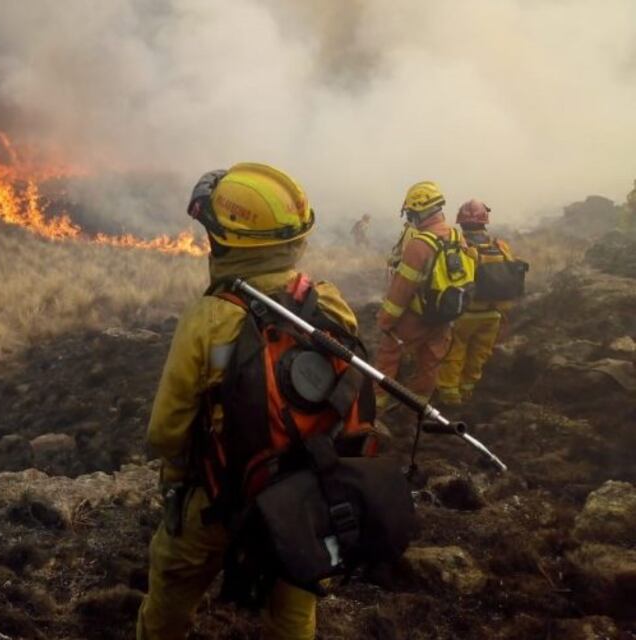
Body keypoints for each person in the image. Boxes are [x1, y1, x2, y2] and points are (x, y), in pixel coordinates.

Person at [136, 163, 373, 640]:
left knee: (171, 589)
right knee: (293, 607)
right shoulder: (329, 302)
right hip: (306, 499)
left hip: (219, 499)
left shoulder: (209, 319)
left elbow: (165, 433)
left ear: (227, 243)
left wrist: (180, 482)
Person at [373, 181, 460, 411]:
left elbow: (401, 291)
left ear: (420, 212)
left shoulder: (419, 245)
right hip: (444, 314)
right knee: (430, 362)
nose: (410, 217)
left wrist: (385, 321)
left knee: (389, 353)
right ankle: (418, 407)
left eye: (411, 213)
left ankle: (376, 404)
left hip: (416, 317)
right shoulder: (455, 235)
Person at [436, 200, 520, 405]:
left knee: (454, 352)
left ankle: (449, 396)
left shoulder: (459, 246)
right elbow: (511, 274)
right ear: (485, 221)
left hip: (465, 313)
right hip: (494, 314)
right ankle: (467, 390)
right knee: (479, 354)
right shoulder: (500, 245)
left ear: (461, 222)